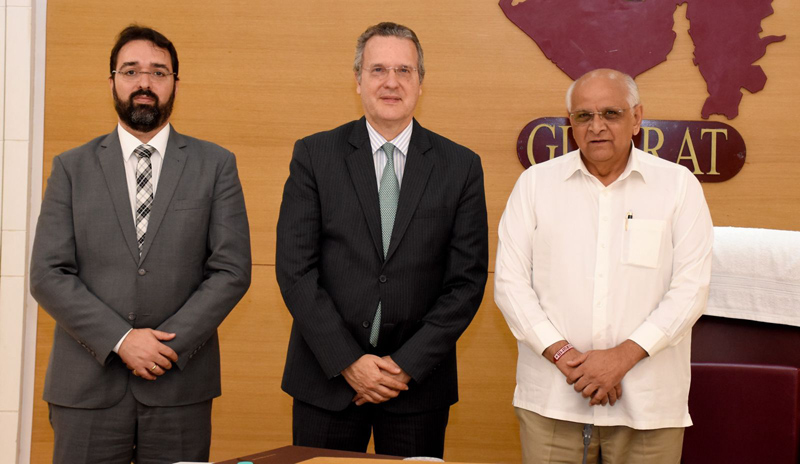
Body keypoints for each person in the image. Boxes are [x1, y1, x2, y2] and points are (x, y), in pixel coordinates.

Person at [30, 25, 251, 464]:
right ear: (112, 81)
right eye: (130, 71)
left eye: (158, 72)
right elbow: (48, 274)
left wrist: (163, 347)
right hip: (86, 387)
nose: (144, 83)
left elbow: (231, 271)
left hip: (179, 388)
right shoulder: (71, 168)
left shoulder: (215, 165)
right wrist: (122, 339)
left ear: (175, 84)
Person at [275, 21, 489, 459]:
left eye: (404, 70)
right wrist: (348, 362)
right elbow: (296, 270)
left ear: (421, 82)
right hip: (327, 380)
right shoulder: (314, 155)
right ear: (358, 80)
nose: (391, 82)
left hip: (417, 387)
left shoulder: (460, 166)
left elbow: (466, 282)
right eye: (378, 70)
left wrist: (405, 365)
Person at [494, 68, 713, 464]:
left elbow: (691, 290)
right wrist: (565, 357)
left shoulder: (678, 186)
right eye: (584, 116)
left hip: (647, 403)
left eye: (611, 113)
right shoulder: (535, 185)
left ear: (636, 117)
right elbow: (510, 285)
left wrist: (621, 358)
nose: (596, 126)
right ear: (571, 123)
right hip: (553, 400)